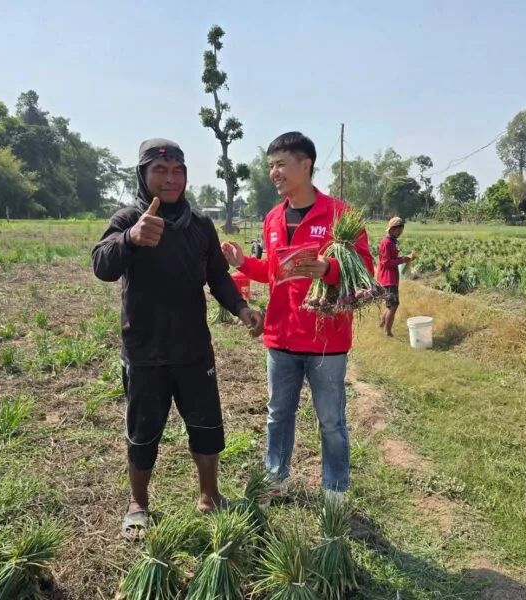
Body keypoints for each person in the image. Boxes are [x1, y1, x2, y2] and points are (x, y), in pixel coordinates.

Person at [91, 138, 263, 540]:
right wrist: (131, 239)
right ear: (143, 174)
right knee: (144, 429)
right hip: (145, 349)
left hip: (192, 348)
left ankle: (210, 496)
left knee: (206, 426)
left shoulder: (199, 224)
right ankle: (138, 504)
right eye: (160, 171)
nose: (170, 179)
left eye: (177, 171)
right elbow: (102, 265)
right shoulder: (128, 219)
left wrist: (240, 308)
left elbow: (218, 276)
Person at [221, 132, 373, 504]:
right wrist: (244, 264)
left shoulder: (340, 215)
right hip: (281, 336)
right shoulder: (273, 219)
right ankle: (275, 482)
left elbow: (366, 268)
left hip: (326, 339)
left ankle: (334, 492)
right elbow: (273, 271)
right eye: (271, 165)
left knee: (331, 422)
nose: (274, 172)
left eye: (281, 164)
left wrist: (328, 269)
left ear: (306, 165)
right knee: (277, 416)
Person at [377, 217, 414, 337]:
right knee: (393, 305)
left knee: (390, 304)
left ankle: (382, 326)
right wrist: (402, 260)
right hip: (387, 279)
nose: (400, 233)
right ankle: (388, 332)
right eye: (398, 230)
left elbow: (391, 259)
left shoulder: (391, 241)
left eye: (401, 230)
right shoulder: (387, 243)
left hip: (391, 278)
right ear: (392, 229)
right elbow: (386, 262)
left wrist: (403, 259)